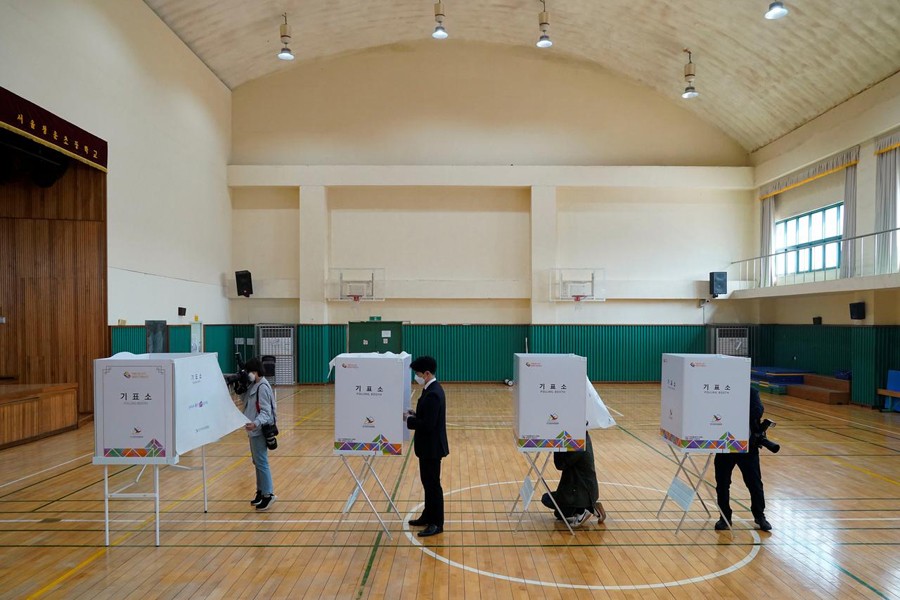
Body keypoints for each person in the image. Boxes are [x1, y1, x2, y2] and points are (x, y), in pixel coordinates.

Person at [713, 387, 772, 531]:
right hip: (725, 445)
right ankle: (724, 517)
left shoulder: (751, 391)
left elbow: (758, 411)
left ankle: (759, 516)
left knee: (754, 483)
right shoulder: (720, 391)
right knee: (722, 483)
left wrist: (733, 409)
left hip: (747, 446)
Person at [404, 356, 449, 537]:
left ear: (427, 373)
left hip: (432, 448)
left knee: (433, 485)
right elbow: (427, 416)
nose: (417, 377)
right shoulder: (429, 390)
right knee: (427, 483)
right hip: (427, 447)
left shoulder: (433, 394)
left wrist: (409, 420)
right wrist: (415, 414)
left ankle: (436, 523)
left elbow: (428, 425)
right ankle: (428, 515)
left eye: (418, 373)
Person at [540, 430, 604, 527]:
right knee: (558, 513)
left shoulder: (578, 444)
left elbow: (560, 464)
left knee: (547, 499)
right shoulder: (584, 437)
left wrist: (557, 445)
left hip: (578, 491)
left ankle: (583, 511)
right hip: (585, 490)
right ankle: (591, 507)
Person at [241, 357, 277, 511]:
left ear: (255, 372)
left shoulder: (262, 387)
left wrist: (255, 423)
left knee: (261, 462)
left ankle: (268, 494)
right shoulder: (254, 385)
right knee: (257, 462)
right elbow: (246, 402)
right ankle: (261, 491)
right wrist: (241, 388)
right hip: (253, 429)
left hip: (260, 429)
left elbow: (266, 412)